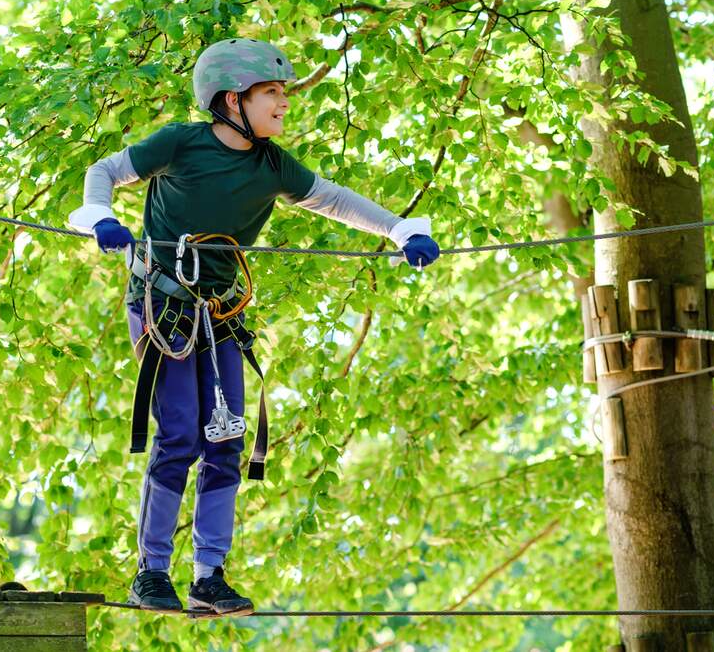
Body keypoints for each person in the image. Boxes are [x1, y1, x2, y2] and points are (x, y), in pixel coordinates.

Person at [67, 38, 440, 615]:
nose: (284, 104)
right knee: (180, 437)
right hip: (164, 306)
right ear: (231, 99)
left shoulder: (272, 165)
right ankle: (151, 573)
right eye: (272, 93)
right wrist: (102, 217)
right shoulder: (182, 142)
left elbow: (335, 200)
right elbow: (105, 170)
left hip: (221, 315)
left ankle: (209, 575)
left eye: (284, 93)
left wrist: (400, 231)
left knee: (225, 441)